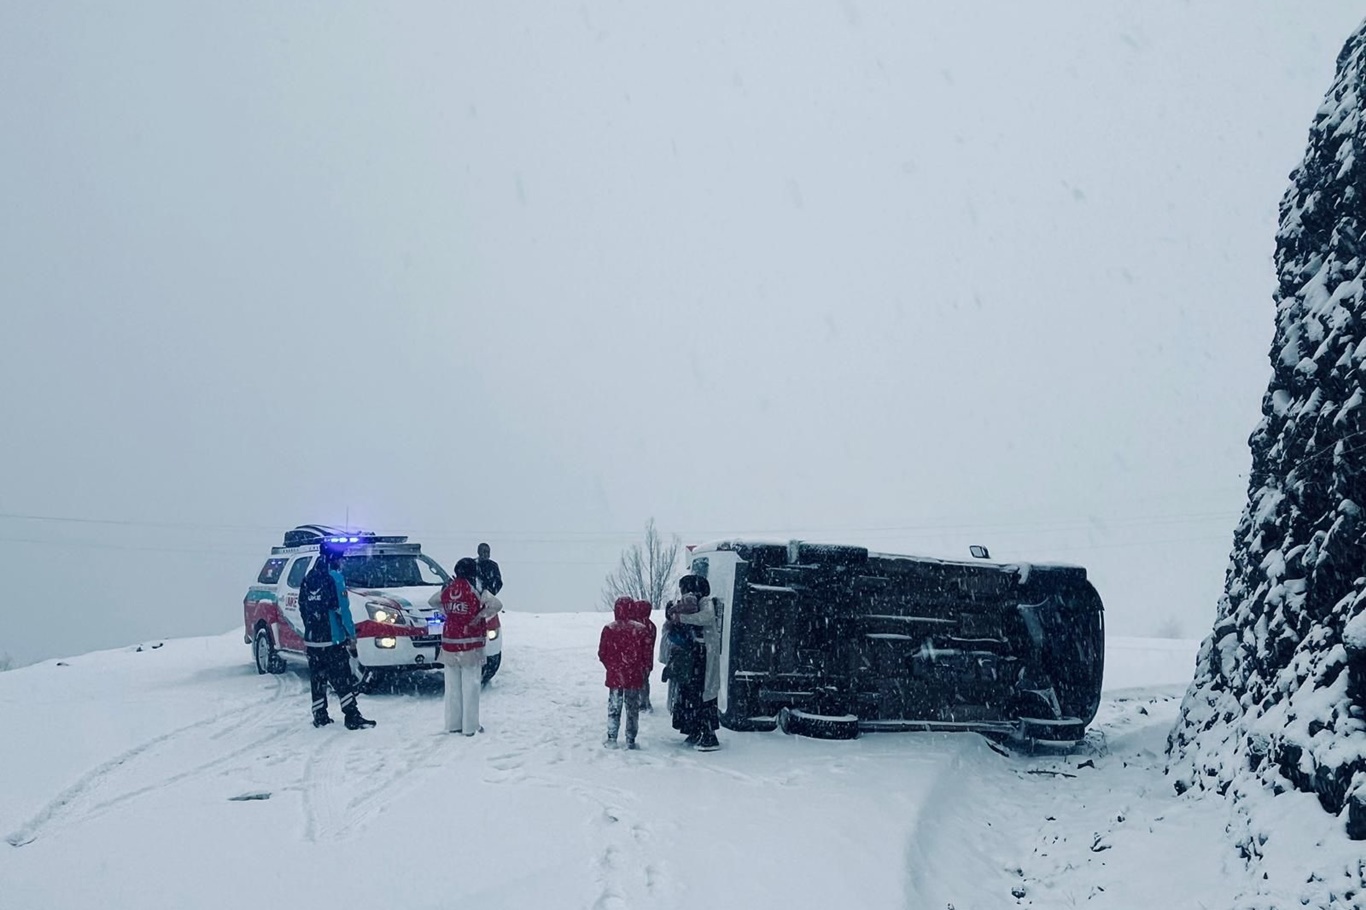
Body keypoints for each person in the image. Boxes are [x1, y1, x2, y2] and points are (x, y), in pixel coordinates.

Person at [299, 546, 376, 730]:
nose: (342, 562)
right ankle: (352, 715)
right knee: (342, 679)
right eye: (341, 559)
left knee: (318, 679)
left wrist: (311, 628)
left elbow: (303, 607)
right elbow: (343, 609)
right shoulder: (335, 578)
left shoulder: (309, 577)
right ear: (335, 559)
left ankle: (320, 715)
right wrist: (351, 634)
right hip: (332, 639)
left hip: (312, 639)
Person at [431, 557, 501, 735]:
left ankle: (453, 724)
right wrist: (480, 616)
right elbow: (497, 605)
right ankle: (470, 726)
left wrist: (448, 613)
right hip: (470, 644)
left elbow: (433, 601)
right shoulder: (476, 589)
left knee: (452, 687)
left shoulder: (448, 588)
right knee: (471, 685)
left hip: (449, 643)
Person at [664, 575, 721, 751]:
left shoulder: (705, 602)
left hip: (704, 656)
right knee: (690, 693)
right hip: (694, 656)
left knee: (704, 694)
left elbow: (707, 617)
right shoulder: (690, 603)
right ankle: (694, 729)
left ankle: (709, 734)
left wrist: (681, 618)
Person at [599, 596, 651, 749]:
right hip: (634, 677)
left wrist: (611, 666)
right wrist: (641, 669)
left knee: (614, 707)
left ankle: (612, 737)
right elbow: (646, 655)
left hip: (615, 676)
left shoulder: (609, 629)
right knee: (632, 708)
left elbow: (602, 653)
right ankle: (631, 739)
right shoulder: (641, 629)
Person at [632, 599, 658, 712]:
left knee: (635, 681)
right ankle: (645, 701)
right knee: (644, 680)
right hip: (647, 660)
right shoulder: (651, 626)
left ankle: (639, 702)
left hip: (636, 659)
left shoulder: (634, 625)